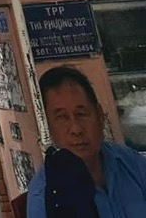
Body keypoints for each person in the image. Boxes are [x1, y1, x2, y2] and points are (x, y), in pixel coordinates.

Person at [27, 66, 146, 218]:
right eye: (62, 117)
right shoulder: (44, 195)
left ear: (100, 115)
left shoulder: (129, 162)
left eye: (81, 114)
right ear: (49, 128)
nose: (76, 129)